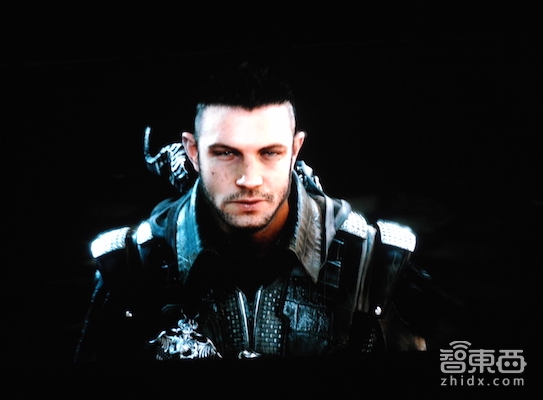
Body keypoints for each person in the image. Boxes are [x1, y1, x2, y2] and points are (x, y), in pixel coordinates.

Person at [74, 62, 431, 363]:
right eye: (226, 153)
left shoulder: (375, 263)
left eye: (269, 153)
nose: (249, 179)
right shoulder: (132, 269)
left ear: (295, 150)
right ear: (193, 152)